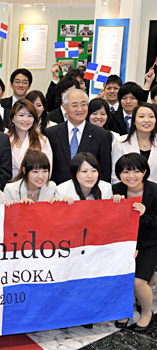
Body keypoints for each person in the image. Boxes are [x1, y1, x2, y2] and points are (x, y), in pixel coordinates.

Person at [112, 153, 157, 332]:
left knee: (138, 282)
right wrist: (113, 205)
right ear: (119, 174)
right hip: (124, 242)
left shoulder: (154, 191)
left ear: (144, 172)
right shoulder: (115, 189)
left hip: (151, 243)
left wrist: (145, 214)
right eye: (125, 172)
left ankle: (147, 313)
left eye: (136, 171)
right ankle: (125, 310)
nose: (131, 176)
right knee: (122, 277)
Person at [44, 89, 112, 184]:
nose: (80, 109)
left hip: (89, 193)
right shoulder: (51, 133)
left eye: (84, 104)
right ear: (65, 107)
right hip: (58, 192)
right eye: (75, 105)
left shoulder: (102, 135)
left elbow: (105, 171)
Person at [112, 103, 157, 184]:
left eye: (151, 116)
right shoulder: (121, 142)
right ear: (134, 121)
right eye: (141, 116)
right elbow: (115, 175)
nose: (146, 120)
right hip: (128, 193)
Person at [6, 99, 53, 178]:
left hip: (34, 187)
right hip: (7, 186)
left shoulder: (42, 140)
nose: (26, 119)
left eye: (30, 116)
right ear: (13, 118)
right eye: (21, 115)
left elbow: (48, 169)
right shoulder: (4, 139)